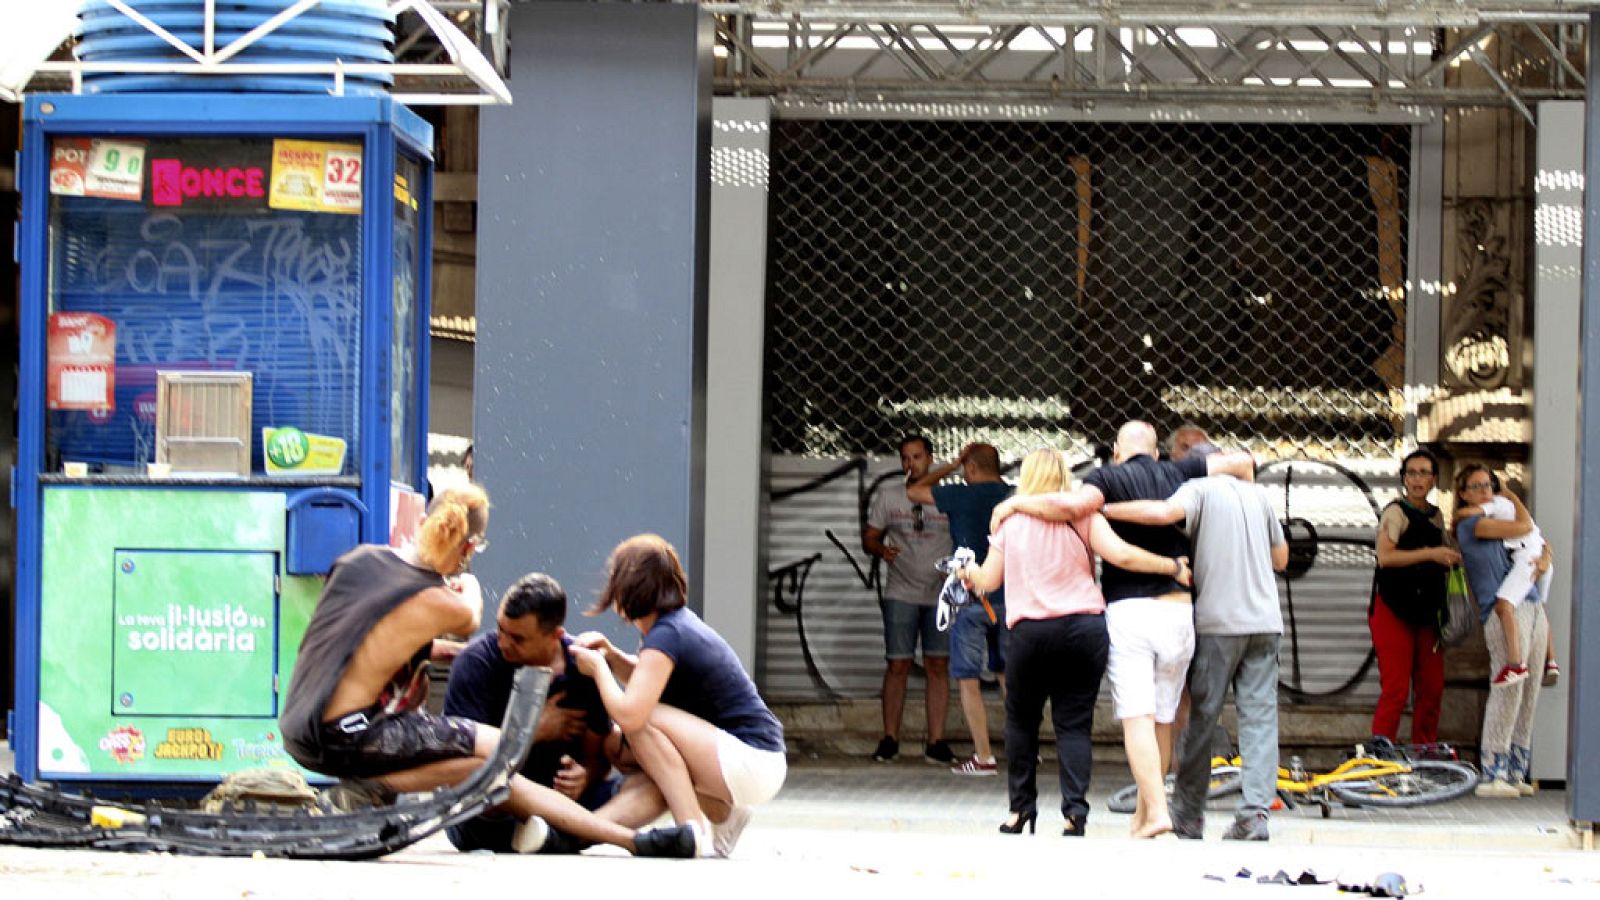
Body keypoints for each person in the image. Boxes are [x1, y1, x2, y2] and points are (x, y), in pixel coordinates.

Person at [279, 487, 697, 858]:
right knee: (504, 746)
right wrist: (467, 581)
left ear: (425, 520)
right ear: (468, 548)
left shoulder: (359, 561)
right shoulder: (439, 597)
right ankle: (377, 786)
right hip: (351, 734)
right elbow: (469, 615)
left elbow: (364, 644)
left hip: (301, 727)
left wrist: (436, 650)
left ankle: (628, 840)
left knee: (481, 770)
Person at [989, 422, 1251, 836]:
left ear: (1116, 451)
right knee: (1164, 718)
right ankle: (1144, 816)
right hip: (1180, 611)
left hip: (1132, 612)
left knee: (1138, 718)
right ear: (1158, 451)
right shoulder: (1182, 471)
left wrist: (1018, 505)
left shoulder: (1105, 479)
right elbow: (1244, 462)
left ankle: (1159, 813)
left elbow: (1074, 509)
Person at [957, 448, 1191, 838]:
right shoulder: (1084, 516)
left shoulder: (1010, 522)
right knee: (1074, 724)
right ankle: (1074, 814)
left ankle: (1019, 811)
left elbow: (988, 581)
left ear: (1027, 480)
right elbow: (1122, 555)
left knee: (1021, 722)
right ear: (1065, 479)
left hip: (1032, 632)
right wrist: (1171, 566)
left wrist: (968, 573)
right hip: (1085, 629)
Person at [1106, 455, 1289, 841]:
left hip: (1218, 623)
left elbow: (1161, 513)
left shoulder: (1198, 489)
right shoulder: (1259, 497)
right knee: (1259, 719)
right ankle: (1254, 815)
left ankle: (1189, 813)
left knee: (1201, 719)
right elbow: (1282, 558)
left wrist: (1104, 506)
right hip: (1266, 622)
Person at [572, 534, 787, 858]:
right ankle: (725, 817)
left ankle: (692, 830)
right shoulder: (671, 629)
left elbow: (632, 713)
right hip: (752, 762)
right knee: (621, 746)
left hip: (752, 758)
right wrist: (613, 657)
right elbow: (648, 680)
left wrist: (599, 670)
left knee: (639, 723)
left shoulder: (667, 634)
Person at [443, 571, 669, 852]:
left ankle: (569, 836)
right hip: (493, 814)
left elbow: (597, 760)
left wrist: (584, 776)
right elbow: (461, 766)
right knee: (488, 787)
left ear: (555, 635)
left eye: (518, 638)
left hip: (569, 806)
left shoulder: (584, 667)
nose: (503, 643)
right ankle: (570, 832)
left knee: (659, 782)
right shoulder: (475, 664)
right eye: (500, 629)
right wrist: (532, 730)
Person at [908, 442, 1012, 775]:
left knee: (968, 678)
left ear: (971, 469)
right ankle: (1022, 751)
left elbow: (915, 490)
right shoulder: (1014, 497)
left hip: (970, 598)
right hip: (1010, 599)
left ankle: (984, 756)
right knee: (1009, 675)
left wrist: (951, 465)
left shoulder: (960, 495)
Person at [1454, 465, 1552, 797]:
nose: (1485, 491)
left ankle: (1514, 771)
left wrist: (1544, 557)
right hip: (1502, 611)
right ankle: (1492, 771)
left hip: (1533, 604)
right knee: (1508, 687)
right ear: (1463, 493)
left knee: (1528, 693)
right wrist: (1511, 495)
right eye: (1476, 486)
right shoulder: (1472, 524)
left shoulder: (1500, 523)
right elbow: (1526, 525)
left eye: (1490, 485)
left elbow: (1534, 540)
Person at [862, 435, 954, 764]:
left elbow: (966, 535)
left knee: (938, 665)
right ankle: (890, 739)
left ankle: (936, 742)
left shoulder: (947, 497)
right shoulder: (889, 497)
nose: (910, 463)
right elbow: (869, 536)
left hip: (940, 595)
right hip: (900, 592)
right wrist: (881, 549)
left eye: (916, 456)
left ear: (930, 457)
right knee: (898, 664)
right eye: (905, 458)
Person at [1370, 449, 1461, 747]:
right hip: (1393, 608)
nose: (1417, 479)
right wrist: (1431, 554)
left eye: (1424, 473)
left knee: (1432, 687)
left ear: (1434, 479)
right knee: (1396, 689)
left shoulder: (1435, 515)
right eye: (1411, 473)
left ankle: (1425, 750)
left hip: (1427, 612)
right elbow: (1385, 556)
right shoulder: (1395, 512)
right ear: (1403, 478)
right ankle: (1380, 753)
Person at [1455, 481, 1559, 687]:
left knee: (1503, 605)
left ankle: (1515, 664)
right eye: (1476, 486)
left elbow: (1522, 525)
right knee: (1541, 610)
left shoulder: (1497, 503)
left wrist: (1458, 514)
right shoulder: (1510, 508)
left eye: (1486, 486)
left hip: (1529, 560)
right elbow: (1536, 534)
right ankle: (1552, 662)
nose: (1484, 491)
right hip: (1539, 559)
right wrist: (1547, 556)